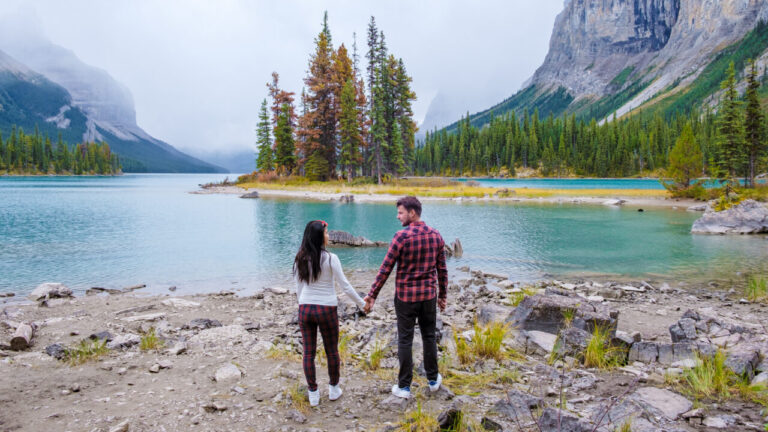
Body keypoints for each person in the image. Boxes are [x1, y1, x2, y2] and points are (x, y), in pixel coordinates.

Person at [363, 196, 448, 399]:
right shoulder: (436, 235)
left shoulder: (401, 237)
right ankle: (433, 380)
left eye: (400, 212)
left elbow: (385, 269)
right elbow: (442, 270)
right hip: (428, 296)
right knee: (429, 337)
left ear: (412, 213)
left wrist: (372, 295)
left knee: (405, 340)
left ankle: (404, 387)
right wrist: (442, 296)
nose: (397, 216)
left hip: (406, 298)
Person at [294, 220, 366, 407]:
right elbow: (346, 287)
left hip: (306, 308)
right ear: (319, 237)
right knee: (331, 351)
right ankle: (334, 389)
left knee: (308, 353)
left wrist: (302, 304)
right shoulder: (331, 258)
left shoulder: (300, 257)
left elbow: (299, 287)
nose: (328, 236)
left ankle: (313, 394)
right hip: (326, 309)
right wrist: (362, 303)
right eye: (326, 233)